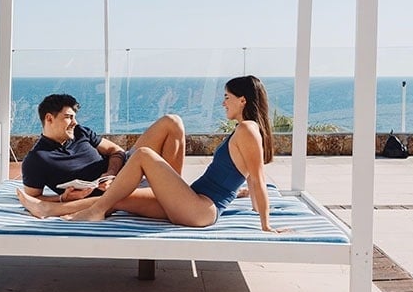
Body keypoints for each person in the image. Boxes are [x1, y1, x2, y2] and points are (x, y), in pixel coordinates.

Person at [17, 76, 281, 232]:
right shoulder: (246, 130)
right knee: (119, 200)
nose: (223, 102)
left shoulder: (247, 129)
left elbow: (257, 179)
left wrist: (266, 226)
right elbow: (249, 180)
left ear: (243, 100)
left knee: (142, 155)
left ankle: (94, 210)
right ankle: (48, 209)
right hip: (193, 202)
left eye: (227, 97)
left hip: (200, 209)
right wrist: (240, 193)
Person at [20, 93, 186, 213]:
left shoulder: (80, 132)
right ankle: (172, 197)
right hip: (112, 194)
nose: (75, 122)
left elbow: (116, 151)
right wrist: (63, 199)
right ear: (49, 118)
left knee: (172, 122)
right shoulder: (36, 159)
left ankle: (173, 190)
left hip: (125, 169)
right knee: (157, 200)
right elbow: (34, 198)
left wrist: (111, 173)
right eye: (69, 117)